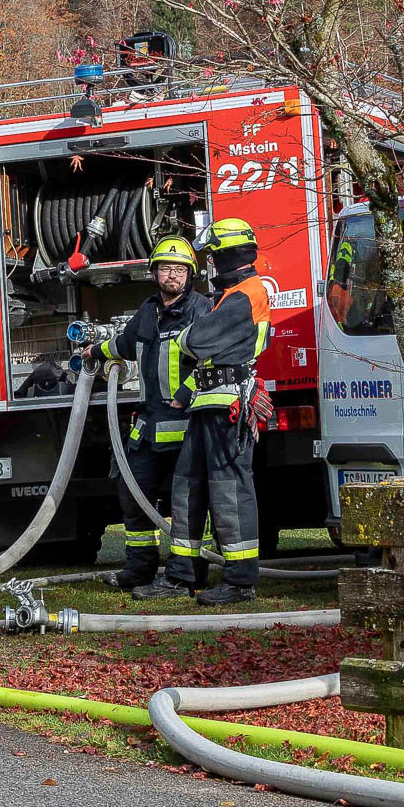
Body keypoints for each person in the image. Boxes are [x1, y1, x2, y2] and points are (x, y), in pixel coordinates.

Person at [134, 218, 271, 606]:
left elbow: (195, 340)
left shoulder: (246, 294)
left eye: (212, 255)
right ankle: (181, 575)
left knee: (229, 492)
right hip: (207, 404)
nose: (209, 262)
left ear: (227, 254)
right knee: (186, 486)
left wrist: (188, 337)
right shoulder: (230, 295)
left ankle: (240, 581)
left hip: (228, 406)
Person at [83, 237, 211, 591]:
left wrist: (186, 395)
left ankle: (188, 572)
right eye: (166, 268)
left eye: (180, 269)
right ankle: (139, 568)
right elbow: (125, 344)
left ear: (190, 274)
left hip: (187, 425)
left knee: (187, 501)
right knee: (133, 492)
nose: (173, 275)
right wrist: (96, 350)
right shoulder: (148, 311)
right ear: (154, 273)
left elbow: (212, 360)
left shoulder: (201, 310)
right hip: (150, 426)